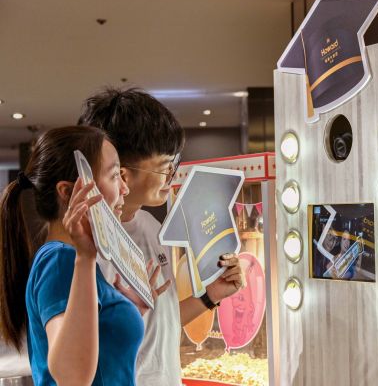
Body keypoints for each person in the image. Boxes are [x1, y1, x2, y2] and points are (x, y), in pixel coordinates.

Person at [78, 87, 244, 386]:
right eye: (165, 167)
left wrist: (210, 297)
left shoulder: (153, 229)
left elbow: (160, 323)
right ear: (122, 174)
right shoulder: (88, 248)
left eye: (174, 165)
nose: (172, 177)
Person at [0, 126, 146, 385]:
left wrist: (124, 312)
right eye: (114, 176)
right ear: (68, 192)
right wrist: (85, 258)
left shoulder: (67, 260)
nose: (124, 188)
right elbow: (72, 378)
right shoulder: (61, 261)